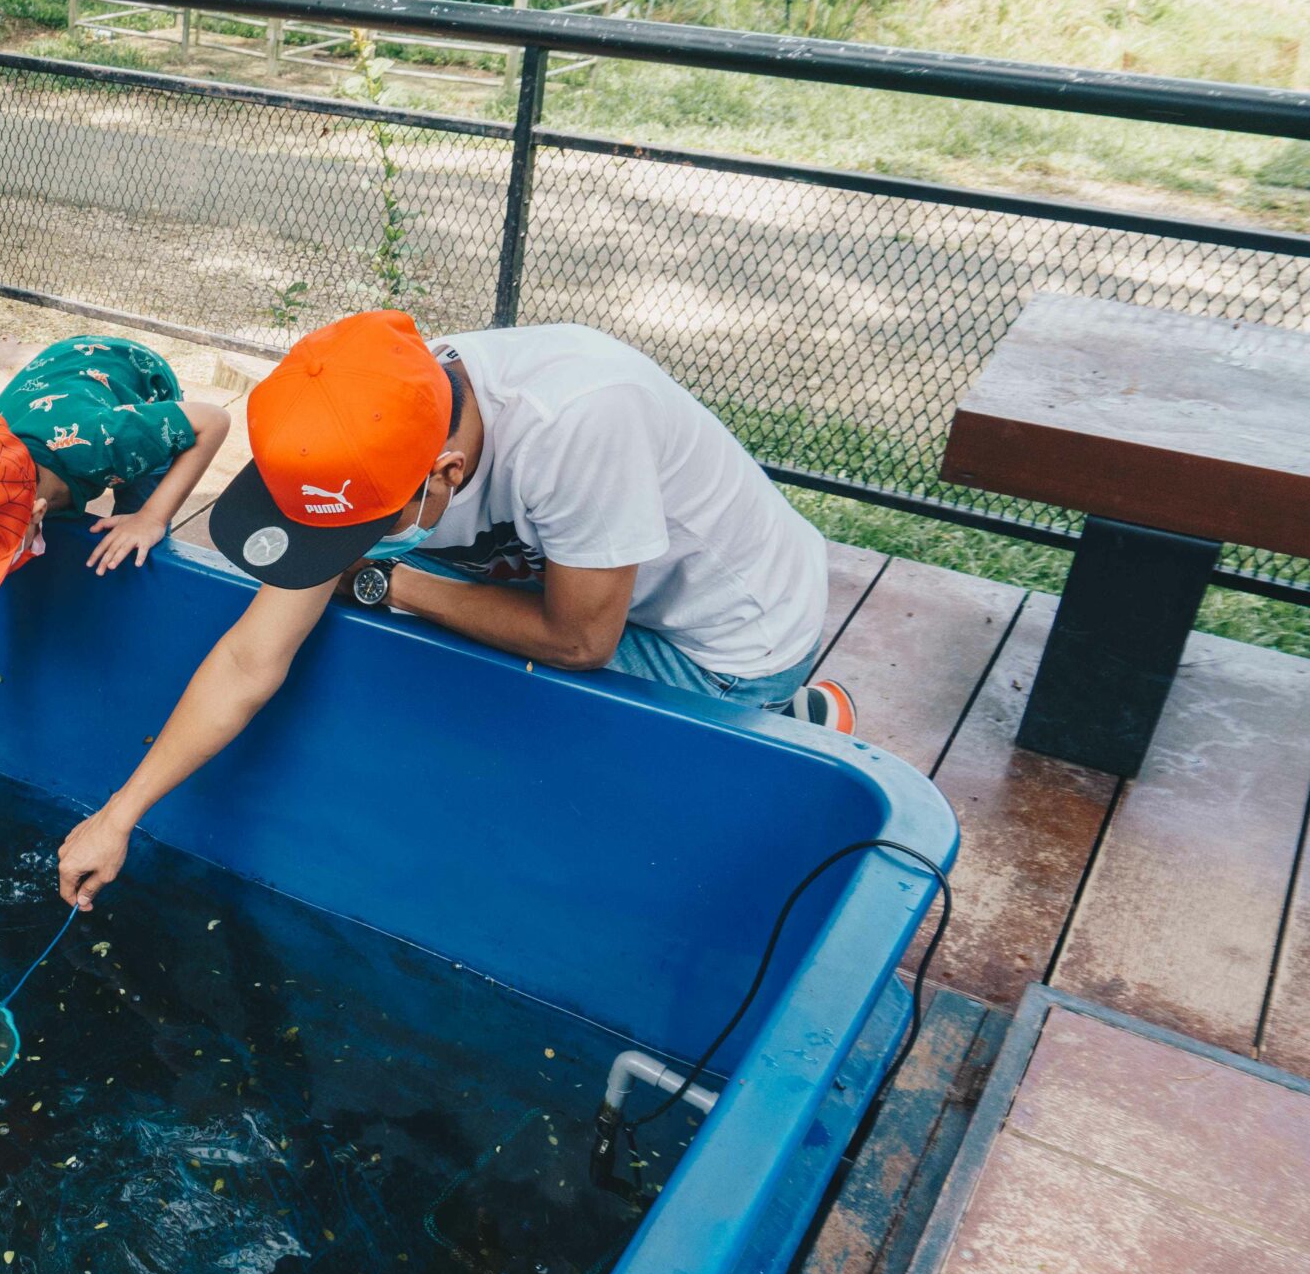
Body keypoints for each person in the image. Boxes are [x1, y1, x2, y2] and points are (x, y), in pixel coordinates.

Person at [54, 310, 849, 908]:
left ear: (446, 472)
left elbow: (579, 643)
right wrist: (120, 814)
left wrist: (382, 581)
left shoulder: (577, 421)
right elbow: (247, 659)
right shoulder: (368, 418)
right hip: (568, 583)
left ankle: (788, 714)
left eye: (369, 529)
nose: (345, 548)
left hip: (721, 639)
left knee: (580, 789)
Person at [0, 335, 232, 809]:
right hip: (51, 391)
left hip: (131, 380)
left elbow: (216, 420)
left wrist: (151, 518)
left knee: (142, 524)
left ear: (37, 512)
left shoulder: (110, 443)